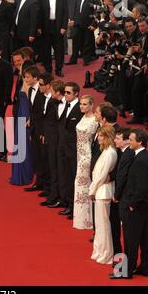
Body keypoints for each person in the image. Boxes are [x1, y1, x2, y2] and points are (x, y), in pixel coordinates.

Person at [111, 129, 148, 279]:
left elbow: (141, 187)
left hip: (135, 206)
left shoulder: (140, 160)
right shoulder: (147, 156)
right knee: (144, 238)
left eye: (131, 139)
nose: (129, 141)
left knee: (130, 239)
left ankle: (126, 271)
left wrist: (134, 203)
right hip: (144, 205)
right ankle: (145, 268)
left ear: (139, 142)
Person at [89, 125, 117, 265]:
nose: (98, 138)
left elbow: (101, 176)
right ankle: (99, 251)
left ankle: (106, 255)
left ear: (107, 137)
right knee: (99, 226)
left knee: (104, 226)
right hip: (100, 191)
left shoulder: (110, 153)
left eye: (101, 136)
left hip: (103, 192)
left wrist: (92, 190)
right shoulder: (106, 151)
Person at [56, 82, 83, 219]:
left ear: (76, 93)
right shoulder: (63, 105)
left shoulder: (80, 109)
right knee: (64, 176)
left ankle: (74, 208)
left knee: (73, 178)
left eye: (68, 93)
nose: (65, 95)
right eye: (65, 92)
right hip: (62, 147)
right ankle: (67, 203)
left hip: (73, 150)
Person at [10, 65, 39, 186]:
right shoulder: (22, 80)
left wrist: (30, 118)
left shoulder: (32, 87)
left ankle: (26, 173)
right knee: (19, 143)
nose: (26, 78)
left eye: (27, 76)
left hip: (26, 114)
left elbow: (32, 104)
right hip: (21, 113)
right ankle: (19, 173)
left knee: (25, 144)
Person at [73, 95, 98, 230]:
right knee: (81, 186)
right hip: (79, 155)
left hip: (86, 157)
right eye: (81, 104)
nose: (82, 106)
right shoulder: (83, 117)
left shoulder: (94, 120)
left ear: (91, 105)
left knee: (83, 186)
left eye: (84, 104)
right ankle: (83, 218)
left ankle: (87, 220)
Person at [41, 79, 64, 207]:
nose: (50, 92)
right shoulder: (53, 102)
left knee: (56, 168)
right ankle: (54, 194)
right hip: (52, 138)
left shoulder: (56, 103)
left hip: (57, 140)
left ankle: (56, 196)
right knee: (53, 167)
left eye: (51, 91)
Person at [112, 127, 135, 258]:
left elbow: (122, 177)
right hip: (129, 199)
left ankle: (126, 268)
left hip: (126, 200)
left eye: (118, 138)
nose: (115, 140)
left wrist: (116, 195)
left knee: (128, 235)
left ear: (126, 141)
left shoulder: (127, 155)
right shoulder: (125, 153)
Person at [36, 0, 68, 76]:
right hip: (45, 26)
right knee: (46, 49)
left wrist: (64, 27)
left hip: (58, 25)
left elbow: (66, 11)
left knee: (59, 49)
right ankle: (48, 69)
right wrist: (38, 27)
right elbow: (38, 12)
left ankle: (59, 69)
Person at [66, 0, 99, 66]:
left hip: (88, 20)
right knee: (75, 38)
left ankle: (86, 59)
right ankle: (73, 59)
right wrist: (72, 18)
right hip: (77, 20)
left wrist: (94, 24)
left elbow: (96, 10)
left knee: (87, 40)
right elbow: (76, 6)